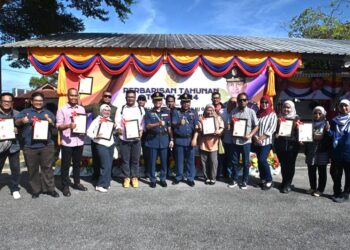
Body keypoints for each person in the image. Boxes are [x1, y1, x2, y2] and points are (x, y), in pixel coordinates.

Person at [16, 92, 59, 198]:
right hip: (29, 146)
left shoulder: (48, 113)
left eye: (40, 101)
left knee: (47, 168)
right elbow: (16, 122)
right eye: (36, 100)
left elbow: (55, 125)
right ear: (32, 101)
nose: (38, 102)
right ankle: (36, 190)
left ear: (43, 102)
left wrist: (51, 122)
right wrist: (22, 120)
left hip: (46, 145)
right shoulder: (25, 112)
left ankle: (50, 189)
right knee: (32, 169)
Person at [56, 88, 88, 197]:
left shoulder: (82, 109)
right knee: (65, 165)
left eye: (76, 95)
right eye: (72, 95)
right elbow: (58, 126)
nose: (74, 97)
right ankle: (65, 186)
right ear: (68, 96)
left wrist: (84, 130)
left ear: (78, 96)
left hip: (79, 141)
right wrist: (69, 125)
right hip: (67, 142)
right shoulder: (62, 109)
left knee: (77, 164)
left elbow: (83, 123)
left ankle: (77, 183)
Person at [115, 90, 145, 188]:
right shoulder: (122, 108)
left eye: (132, 97)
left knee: (135, 159)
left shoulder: (140, 109)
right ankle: (126, 177)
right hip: (124, 138)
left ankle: (134, 177)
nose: (130, 98)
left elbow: (142, 123)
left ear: (135, 98)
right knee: (125, 160)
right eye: (129, 97)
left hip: (136, 139)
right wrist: (118, 128)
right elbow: (117, 121)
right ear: (126, 98)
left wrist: (141, 131)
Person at [84, 91, 117, 181]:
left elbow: (116, 121)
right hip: (96, 137)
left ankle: (107, 176)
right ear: (102, 96)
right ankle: (96, 175)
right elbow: (82, 109)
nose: (107, 97)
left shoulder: (114, 108)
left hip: (108, 137)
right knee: (96, 157)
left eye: (109, 96)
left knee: (108, 158)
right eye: (105, 96)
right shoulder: (95, 106)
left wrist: (116, 126)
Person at [144, 92, 174, 188]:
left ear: (162, 101)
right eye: (156, 100)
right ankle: (152, 179)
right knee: (152, 162)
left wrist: (172, 139)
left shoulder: (166, 111)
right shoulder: (149, 112)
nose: (158, 102)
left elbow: (169, 127)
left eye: (160, 100)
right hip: (153, 140)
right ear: (153, 101)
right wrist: (158, 124)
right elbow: (147, 126)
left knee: (164, 162)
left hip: (164, 139)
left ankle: (162, 179)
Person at [230, 92, 259, 189]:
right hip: (235, 141)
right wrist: (229, 126)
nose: (242, 102)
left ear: (247, 101)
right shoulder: (233, 111)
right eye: (240, 100)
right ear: (237, 101)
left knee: (246, 162)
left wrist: (250, 135)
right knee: (234, 161)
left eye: (244, 100)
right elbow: (230, 125)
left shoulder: (251, 112)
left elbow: (257, 126)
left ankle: (245, 180)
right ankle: (234, 179)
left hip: (246, 142)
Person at [172, 93, 199, 187]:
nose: (186, 104)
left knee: (190, 161)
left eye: (188, 102)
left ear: (190, 102)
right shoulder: (176, 112)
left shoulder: (194, 112)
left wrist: (195, 138)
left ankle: (190, 178)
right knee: (179, 160)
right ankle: (179, 177)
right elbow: (173, 124)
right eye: (184, 102)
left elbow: (197, 127)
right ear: (181, 102)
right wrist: (179, 123)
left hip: (190, 140)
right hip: (179, 140)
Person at [87, 104, 115, 192]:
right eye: (105, 110)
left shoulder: (110, 120)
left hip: (110, 144)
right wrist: (95, 136)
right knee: (105, 165)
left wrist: (114, 128)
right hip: (101, 144)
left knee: (109, 165)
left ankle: (106, 183)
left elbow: (110, 134)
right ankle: (100, 185)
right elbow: (88, 132)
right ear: (101, 111)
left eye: (108, 110)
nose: (106, 112)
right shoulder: (97, 120)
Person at [304, 106, 331, 197]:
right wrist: (302, 140)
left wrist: (327, 131)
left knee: (322, 171)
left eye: (320, 113)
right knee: (311, 170)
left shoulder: (326, 124)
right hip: (311, 151)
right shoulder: (309, 125)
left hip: (322, 151)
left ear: (323, 114)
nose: (317, 115)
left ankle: (320, 189)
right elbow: (306, 139)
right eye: (315, 113)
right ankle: (312, 187)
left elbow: (327, 138)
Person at [327, 99, 350, 203]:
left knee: (349, 174)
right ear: (339, 108)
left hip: (348, 152)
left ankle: (345, 193)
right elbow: (332, 136)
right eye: (342, 106)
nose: (344, 108)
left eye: (346, 106)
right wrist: (328, 130)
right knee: (334, 172)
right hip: (336, 151)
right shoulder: (334, 120)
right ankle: (337, 191)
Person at [274, 100, 300, 194]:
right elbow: (275, 131)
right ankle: (284, 182)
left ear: (292, 108)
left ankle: (288, 184)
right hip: (281, 145)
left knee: (290, 165)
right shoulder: (279, 117)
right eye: (285, 107)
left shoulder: (296, 118)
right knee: (283, 165)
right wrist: (276, 132)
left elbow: (301, 133)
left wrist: (299, 129)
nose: (286, 109)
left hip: (292, 146)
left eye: (288, 107)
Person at [253, 96, 277, 190]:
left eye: (266, 102)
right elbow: (254, 126)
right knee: (259, 160)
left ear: (269, 103)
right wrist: (255, 136)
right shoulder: (258, 113)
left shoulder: (272, 114)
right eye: (262, 102)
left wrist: (261, 138)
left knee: (262, 159)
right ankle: (262, 179)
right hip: (257, 141)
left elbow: (272, 129)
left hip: (266, 142)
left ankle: (269, 180)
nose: (264, 104)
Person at [0, 92, 21, 199]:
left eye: (9, 101)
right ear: (1, 101)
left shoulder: (17, 114)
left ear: (12, 103)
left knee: (15, 168)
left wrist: (18, 130)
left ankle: (15, 188)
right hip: (0, 146)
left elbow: (23, 129)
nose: (6, 103)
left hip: (14, 146)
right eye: (4, 101)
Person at [198, 104, 224, 185]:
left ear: (214, 110)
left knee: (213, 162)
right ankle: (207, 178)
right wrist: (199, 128)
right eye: (208, 110)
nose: (210, 112)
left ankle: (213, 178)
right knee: (204, 162)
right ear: (205, 110)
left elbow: (222, 127)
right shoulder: (201, 118)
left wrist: (219, 131)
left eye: (211, 110)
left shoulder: (218, 118)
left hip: (214, 143)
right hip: (203, 143)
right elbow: (199, 127)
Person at [221, 97, 237, 185]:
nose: (233, 103)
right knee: (224, 157)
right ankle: (225, 174)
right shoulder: (221, 112)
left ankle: (230, 176)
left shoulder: (238, 112)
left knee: (232, 159)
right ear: (228, 102)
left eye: (235, 102)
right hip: (223, 138)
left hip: (235, 140)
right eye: (231, 102)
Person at [166, 94, 176, 177]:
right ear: (166, 102)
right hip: (166, 136)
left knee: (176, 155)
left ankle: (175, 170)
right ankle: (166, 171)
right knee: (167, 154)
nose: (170, 103)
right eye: (168, 101)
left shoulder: (178, 111)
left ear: (175, 102)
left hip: (177, 136)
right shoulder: (163, 111)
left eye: (172, 101)